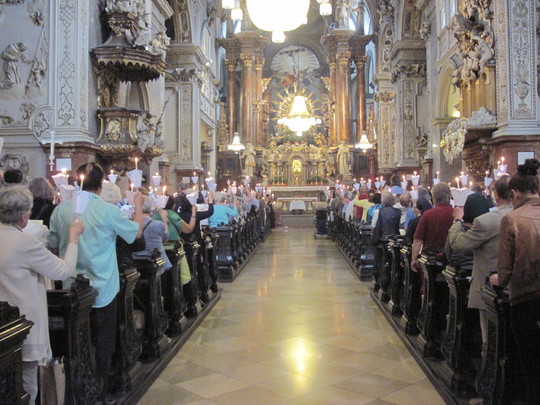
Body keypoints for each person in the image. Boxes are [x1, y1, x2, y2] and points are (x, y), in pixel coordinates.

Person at [49, 163, 144, 403]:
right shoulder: (107, 210)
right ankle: (100, 390)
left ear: (77, 181)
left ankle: (75, 390)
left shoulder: (61, 210)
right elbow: (136, 233)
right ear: (101, 185)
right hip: (103, 287)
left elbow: (53, 245)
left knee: (75, 341)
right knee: (103, 340)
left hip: (71, 287)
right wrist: (138, 205)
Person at [0, 185, 84, 403]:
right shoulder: (25, 243)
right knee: (26, 387)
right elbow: (63, 271)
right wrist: (73, 238)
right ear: (24, 216)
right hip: (22, 326)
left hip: (3, 328)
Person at [490, 159, 540, 404]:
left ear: (515, 193)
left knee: (529, 361)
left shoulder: (512, 218)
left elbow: (505, 269)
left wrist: (497, 279)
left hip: (526, 299)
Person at [448, 176, 512, 359]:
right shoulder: (525, 216)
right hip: (519, 287)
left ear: (496, 195)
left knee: (490, 339)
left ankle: (489, 367)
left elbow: (458, 244)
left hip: (490, 288)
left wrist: (457, 221)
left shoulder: (487, 221)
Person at [411, 182, 454, 271]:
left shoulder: (428, 214)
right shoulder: (456, 214)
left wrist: (414, 259)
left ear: (434, 198)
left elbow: (418, 240)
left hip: (430, 260)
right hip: (451, 261)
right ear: (449, 196)